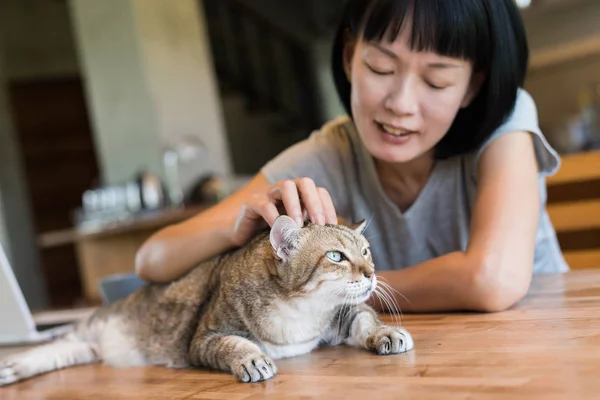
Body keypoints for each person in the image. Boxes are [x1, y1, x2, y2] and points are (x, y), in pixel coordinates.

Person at [135, 0, 569, 313]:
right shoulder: (331, 152)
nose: (400, 103)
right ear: (348, 57)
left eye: (436, 82)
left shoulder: (507, 125)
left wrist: (329, 290)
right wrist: (232, 228)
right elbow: (152, 258)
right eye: (380, 68)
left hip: (546, 342)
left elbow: (492, 279)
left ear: (472, 86)